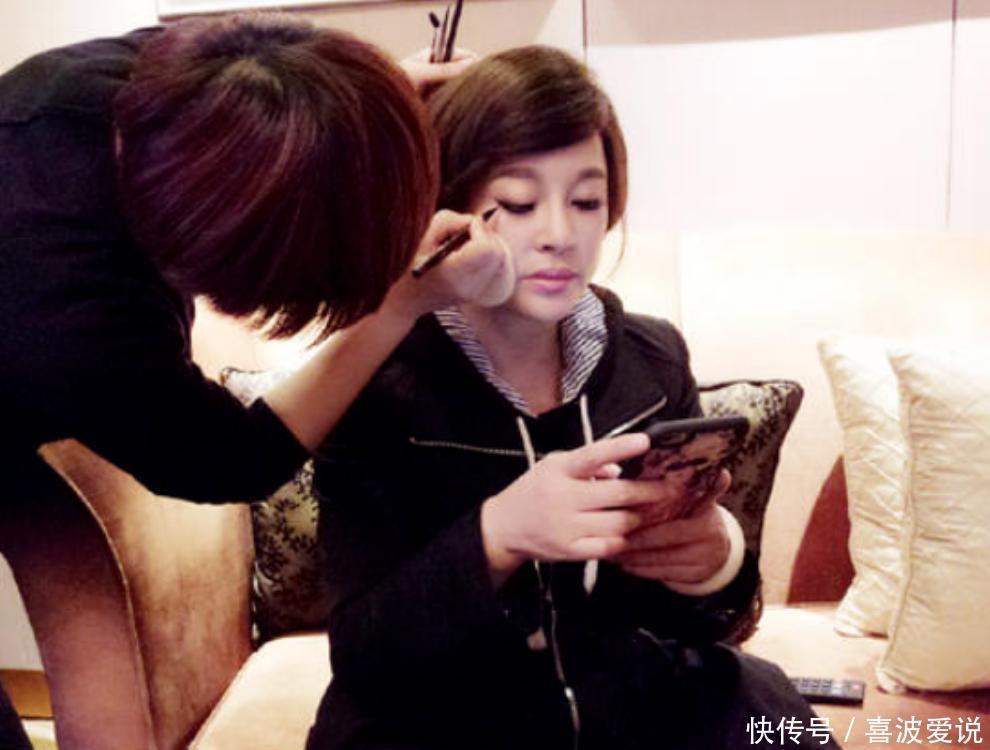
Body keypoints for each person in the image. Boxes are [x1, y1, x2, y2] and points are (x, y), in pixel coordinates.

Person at [309, 46, 839, 750]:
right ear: (448, 210)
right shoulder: (380, 383)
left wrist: (715, 562)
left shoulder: (650, 361)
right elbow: (365, 659)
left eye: (586, 201)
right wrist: (495, 536)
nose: (560, 235)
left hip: (625, 712)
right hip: (441, 726)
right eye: (519, 204)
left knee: (774, 721)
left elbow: (704, 626)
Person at [0, 13, 498, 747]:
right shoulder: (75, 324)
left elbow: (269, 91)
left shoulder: (158, 80)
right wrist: (399, 305)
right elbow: (227, 459)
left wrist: (354, 107)